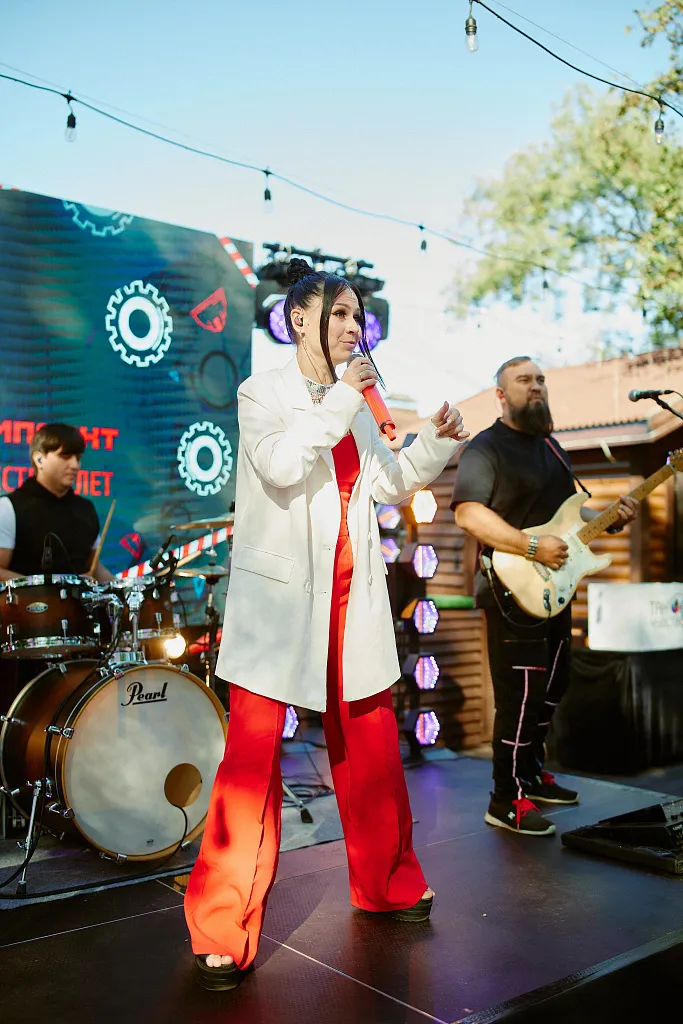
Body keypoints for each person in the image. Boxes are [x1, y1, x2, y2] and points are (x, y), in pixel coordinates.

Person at [184, 258, 469, 991]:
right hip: (278, 608)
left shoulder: (358, 403)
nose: (353, 326)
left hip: (352, 599)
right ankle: (222, 927)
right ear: (299, 319)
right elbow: (282, 466)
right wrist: (344, 397)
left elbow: (390, 483)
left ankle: (388, 884)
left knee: (373, 752)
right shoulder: (262, 392)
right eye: (339, 314)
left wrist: (435, 443)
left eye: (357, 316)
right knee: (250, 767)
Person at [451, 356, 638, 837]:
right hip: (510, 590)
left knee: (554, 686)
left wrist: (610, 519)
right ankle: (505, 798)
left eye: (540, 379)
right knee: (520, 696)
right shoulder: (485, 448)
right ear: (501, 395)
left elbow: (568, 520)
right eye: (523, 380)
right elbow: (468, 513)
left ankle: (531, 775)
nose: (535, 386)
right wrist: (530, 545)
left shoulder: (552, 447)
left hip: (554, 588)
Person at [0, 422, 113, 582]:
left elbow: (93, 568)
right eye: (65, 457)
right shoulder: (9, 507)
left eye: (78, 458)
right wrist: (48, 589)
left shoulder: (86, 509)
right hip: (26, 599)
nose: (75, 465)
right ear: (39, 459)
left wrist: (124, 588)